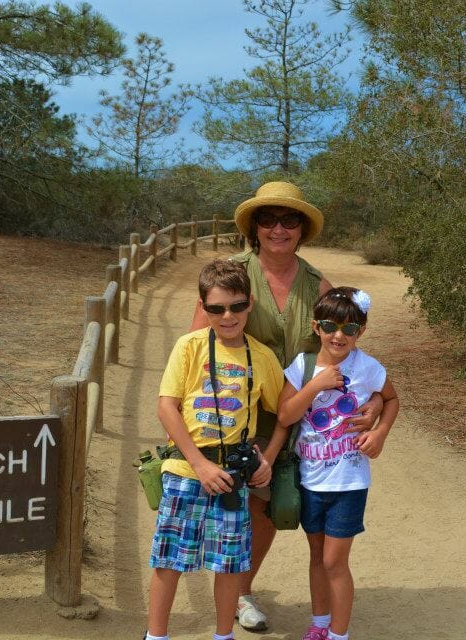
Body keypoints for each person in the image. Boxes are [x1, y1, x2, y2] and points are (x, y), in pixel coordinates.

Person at [189, 181, 384, 631]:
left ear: (301, 230)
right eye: (268, 219)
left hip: (299, 419)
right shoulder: (232, 273)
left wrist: (374, 403)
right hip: (236, 414)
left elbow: (346, 354)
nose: (278, 228)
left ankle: (239, 591)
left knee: (275, 508)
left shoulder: (318, 285)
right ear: (254, 227)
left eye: (289, 220)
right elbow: (196, 345)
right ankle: (237, 597)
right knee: (242, 506)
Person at [145, 259, 285, 640]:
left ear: (250, 305)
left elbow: (285, 413)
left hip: (233, 478)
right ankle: (156, 635)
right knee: (169, 559)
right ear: (203, 307)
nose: (228, 316)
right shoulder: (189, 347)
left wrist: (267, 459)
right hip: (187, 470)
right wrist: (199, 465)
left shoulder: (261, 357)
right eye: (217, 308)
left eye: (237, 306)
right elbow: (166, 406)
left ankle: (223, 635)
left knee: (229, 565)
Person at [272, 287, 400, 640]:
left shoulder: (368, 368)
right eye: (330, 326)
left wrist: (380, 431)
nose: (339, 335)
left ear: (362, 331)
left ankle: (339, 634)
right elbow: (285, 415)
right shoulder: (302, 366)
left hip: (348, 482)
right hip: (311, 480)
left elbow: (391, 398)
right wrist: (315, 386)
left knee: (334, 562)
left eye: (350, 328)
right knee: (317, 556)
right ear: (316, 326)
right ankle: (320, 623)